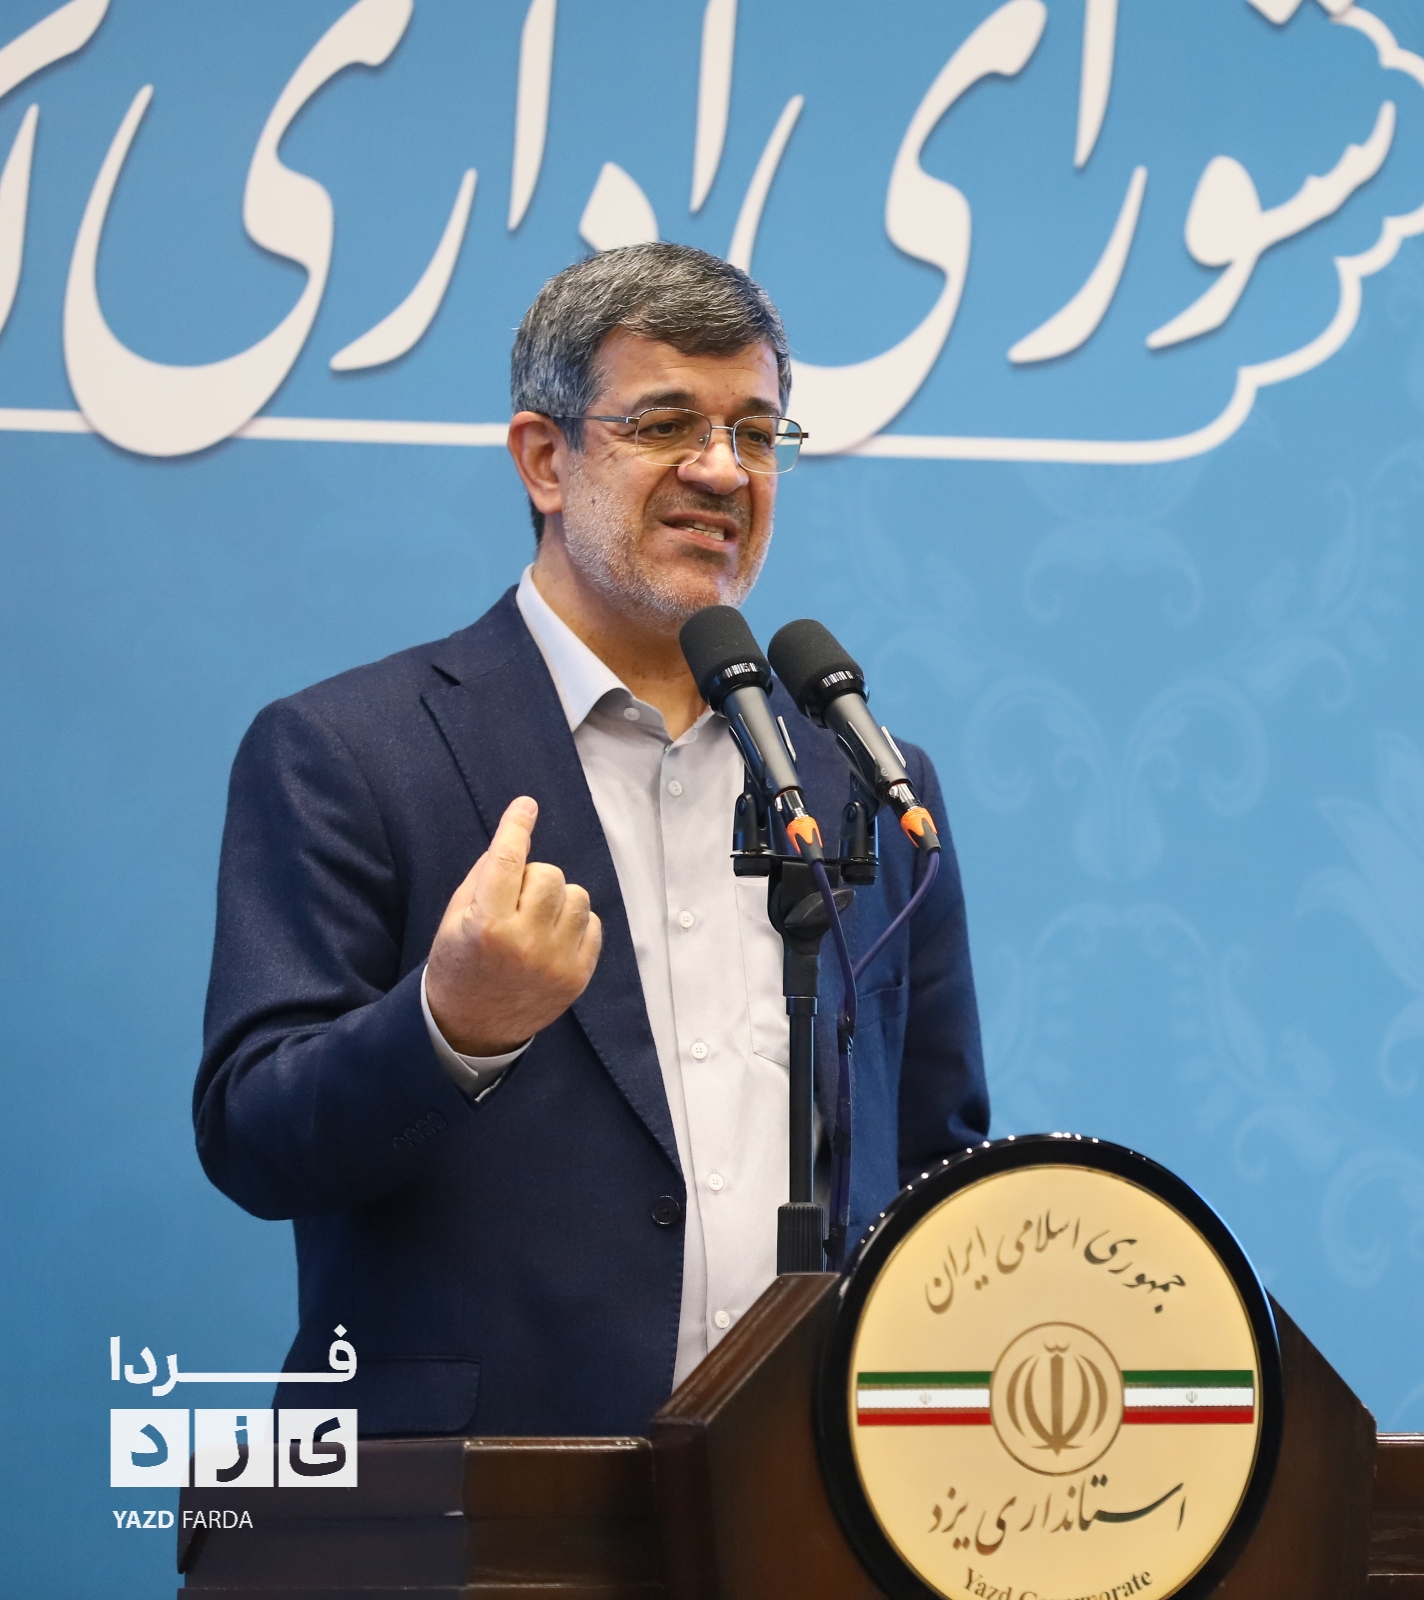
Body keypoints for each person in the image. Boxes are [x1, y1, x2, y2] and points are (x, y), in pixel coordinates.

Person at [194, 243, 988, 1438]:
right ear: (544, 458)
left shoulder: (867, 779)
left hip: (803, 1489)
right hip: (482, 1491)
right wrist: (449, 1027)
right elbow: (254, 1137)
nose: (721, 469)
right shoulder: (351, 753)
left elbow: (936, 1156)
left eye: (756, 432)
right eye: (665, 424)